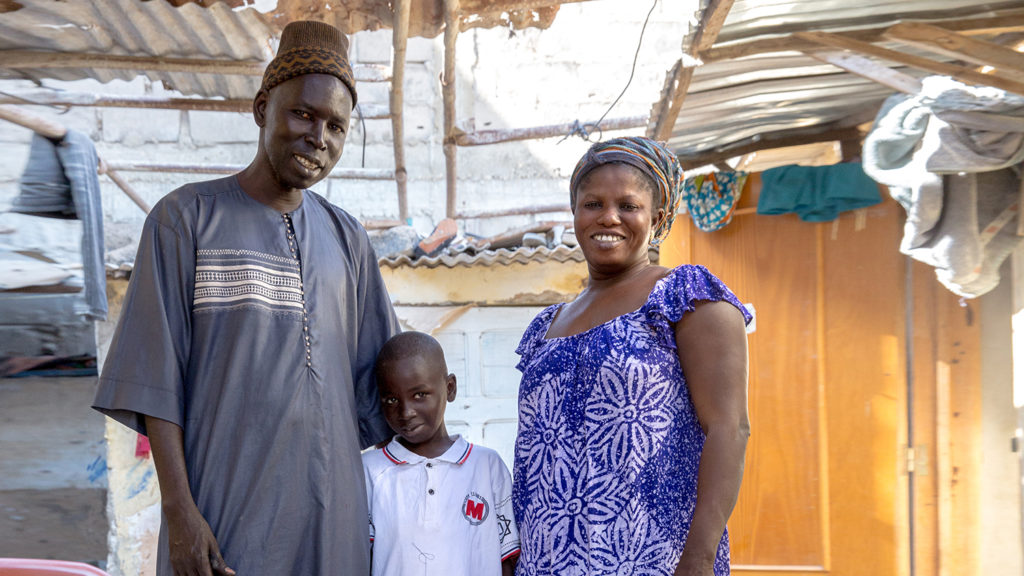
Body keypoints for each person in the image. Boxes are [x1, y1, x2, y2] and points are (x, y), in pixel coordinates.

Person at [92, 21, 400, 576]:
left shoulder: (347, 238)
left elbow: (386, 384)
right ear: (262, 108)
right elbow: (155, 385)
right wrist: (181, 513)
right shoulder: (185, 220)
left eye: (336, 125)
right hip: (224, 516)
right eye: (302, 114)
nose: (318, 137)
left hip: (334, 522)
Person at [512, 137, 752, 576]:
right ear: (575, 213)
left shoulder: (684, 296)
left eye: (628, 205)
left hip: (650, 557)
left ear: (657, 218)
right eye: (592, 203)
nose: (608, 217)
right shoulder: (546, 326)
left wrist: (697, 559)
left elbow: (729, 428)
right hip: (548, 560)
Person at [363, 331, 521, 576]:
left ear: (450, 388)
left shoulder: (486, 467)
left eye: (419, 395)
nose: (406, 412)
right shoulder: (370, 471)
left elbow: (507, 559)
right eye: (392, 400)